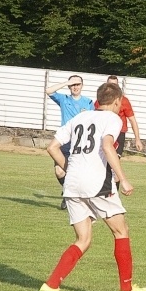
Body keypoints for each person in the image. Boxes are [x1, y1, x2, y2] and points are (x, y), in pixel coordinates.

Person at [37, 81, 146, 291]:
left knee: (83, 239)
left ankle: (50, 286)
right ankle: (127, 290)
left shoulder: (79, 117)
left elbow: (52, 147)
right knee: (121, 231)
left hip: (72, 185)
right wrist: (123, 179)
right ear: (117, 101)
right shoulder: (113, 119)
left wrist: (71, 169)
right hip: (97, 183)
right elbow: (107, 146)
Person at [45, 75, 94, 209]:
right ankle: (68, 191)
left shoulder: (88, 102)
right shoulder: (63, 99)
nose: (75, 87)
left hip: (80, 142)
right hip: (65, 140)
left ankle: (71, 195)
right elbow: (48, 91)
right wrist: (66, 82)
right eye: (73, 84)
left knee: (79, 171)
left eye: (78, 84)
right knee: (59, 171)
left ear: (82, 86)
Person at [94, 75, 144, 158]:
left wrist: (137, 139)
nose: (112, 88)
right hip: (103, 131)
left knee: (116, 157)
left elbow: (132, 120)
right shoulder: (100, 101)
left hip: (119, 132)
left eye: (114, 85)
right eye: (110, 85)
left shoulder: (124, 100)